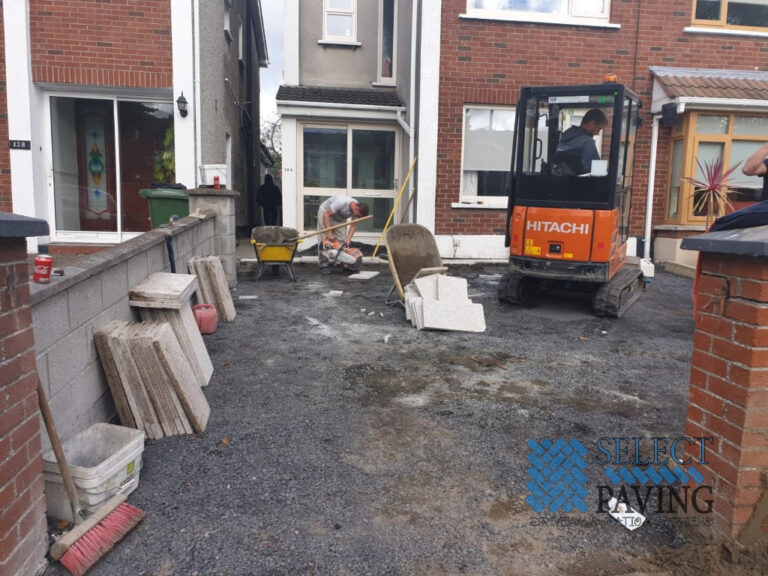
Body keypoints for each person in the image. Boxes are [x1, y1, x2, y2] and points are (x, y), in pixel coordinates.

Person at [316, 195, 369, 271]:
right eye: (358, 215)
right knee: (324, 241)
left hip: (339, 218)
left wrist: (348, 239)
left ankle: (339, 262)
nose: (357, 217)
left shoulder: (357, 209)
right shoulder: (341, 202)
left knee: (341, 241)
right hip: (325, 213)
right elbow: (326, 215)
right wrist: (329, 233)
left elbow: (353, 225)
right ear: (357, 209)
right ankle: (323, 264)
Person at [554, 108, 609, 175]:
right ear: (592, 124)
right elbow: (589, 170)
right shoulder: (587, 142)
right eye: (599, 129)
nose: (598, 133)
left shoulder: (566, 135)